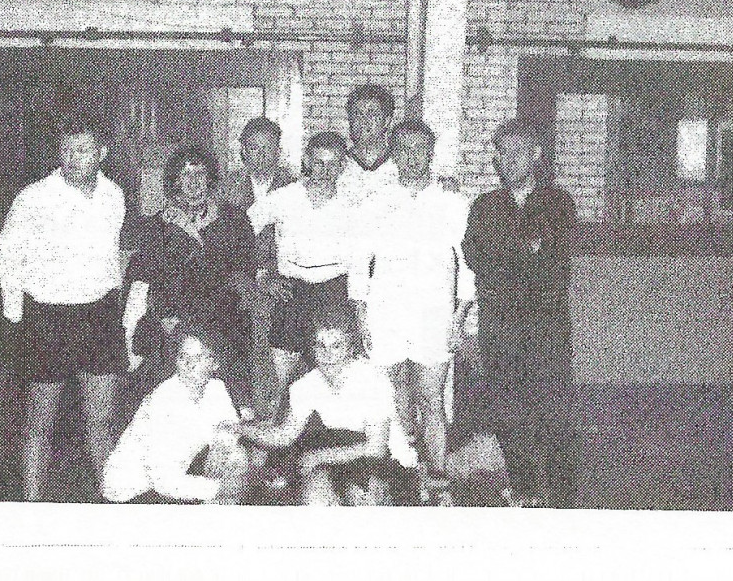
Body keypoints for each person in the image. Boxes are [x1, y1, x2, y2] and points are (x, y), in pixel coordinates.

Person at [0, 116, 130, 502]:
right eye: (66, 150)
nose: (72, 158)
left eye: (82, 151)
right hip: (49, 318)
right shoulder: (35, 198)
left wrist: (117, 308)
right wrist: (17, 318)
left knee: (102, 422)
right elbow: (4, 259)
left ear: (102, 154)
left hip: (99, 317)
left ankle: (111, 505)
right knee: (40, 422)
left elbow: (113, 256)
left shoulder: (113, 195)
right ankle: (32, 509)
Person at [350, 119, 474, 505]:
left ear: (431, 153)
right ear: (393, 153)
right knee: (395, 396)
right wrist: (362, 317)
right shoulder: (375, 202)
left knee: (431, 398)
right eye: (404, 148)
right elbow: (359, 263)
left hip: (434, 316)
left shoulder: (453, 204)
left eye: (420, 148)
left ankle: (436, 479)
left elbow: (469, 267)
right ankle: (405, 472)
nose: (412, 156)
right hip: (385, 313)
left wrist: (458, 320)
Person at [461, 120, 578, 508]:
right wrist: (524, 250)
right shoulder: (485, 206)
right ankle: (523, 489)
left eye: (518, 152)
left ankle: (562, 495)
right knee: (508, 412)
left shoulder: (558, 203)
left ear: (535, 155)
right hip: (500, 327)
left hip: (546, 327)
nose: (509, 160)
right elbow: (476, 257)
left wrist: (508, 255)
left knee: (554, 412)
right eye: (503, 153)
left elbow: (554, 260)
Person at [122, 145, 261, 422]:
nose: (194, 181)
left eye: (200, 174)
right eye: (186, 175)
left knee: (226, 357)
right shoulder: (158, 226)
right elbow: (146, 277)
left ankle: (237, 419)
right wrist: (165, 315)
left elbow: (244, 270)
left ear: (210, 179)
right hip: (174, 315)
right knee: (161, 372)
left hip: (222, 314)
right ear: (175, 181)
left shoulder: (233, 219)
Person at [227, 305, 404, 506]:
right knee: (314, 497)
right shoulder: (306, 385)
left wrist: (319, 457)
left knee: (362, 495)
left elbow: (376, 448)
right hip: (334, 454)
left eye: (336, 346)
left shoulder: (373, 379)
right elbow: (284, 435)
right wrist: (239, 428)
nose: (328, 354)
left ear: (350, 349)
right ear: (312, 349)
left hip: (381, 457)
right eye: (321, 346)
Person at [247, 132, 360, 417]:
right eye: (319, 162)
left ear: (343, 165)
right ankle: (269, 436)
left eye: (333, 164)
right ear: (307, 161)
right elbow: (240, 232)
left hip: (335, 292)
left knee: (334, 374)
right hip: (292, 292)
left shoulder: (354, 203)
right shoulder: (284, 197)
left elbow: (363, 256)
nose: (325, 170)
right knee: (278, 378)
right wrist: (262, 275)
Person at [101, 322, 249, 504]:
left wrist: (221, 444)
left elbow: (230, 429)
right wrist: (220, 489)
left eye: (198, 357)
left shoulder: (216, 388)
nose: (189, 364)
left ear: (215, 363)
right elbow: (163, 481)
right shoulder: (164, 400)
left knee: (236, 456)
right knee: (224, 490)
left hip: (171, 479)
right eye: (183, 356)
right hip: (132, 493)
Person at [216, 117, 297, 418]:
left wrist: (271, 274)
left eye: (268, 148)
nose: (261, 155)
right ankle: (251, 409)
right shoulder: (225, 188)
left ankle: (273, 410)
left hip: (284, 275)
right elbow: (222, 241)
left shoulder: (297, 186)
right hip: (238, 276)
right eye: (253, 148)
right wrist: (257, 275)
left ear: (279, 151)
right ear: (242, 152)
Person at [335, 85, 401, 203]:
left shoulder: (400, 163)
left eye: (371, 114)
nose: (363, 121)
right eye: (357, 114)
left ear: (386, 121)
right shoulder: (337, 164)